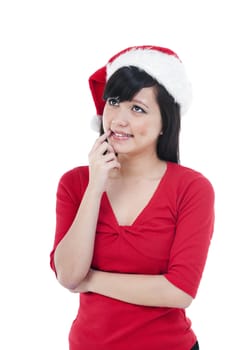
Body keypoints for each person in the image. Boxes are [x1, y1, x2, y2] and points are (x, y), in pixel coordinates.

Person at [50, 45, 215, 350]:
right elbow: (69, 274)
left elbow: (179, 291)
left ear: (165, 121)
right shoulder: (75, 184)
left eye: (137, 108)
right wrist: (95, 186)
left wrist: (91, 281)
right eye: (114, 102)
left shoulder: (192, 188)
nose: (118, 120)